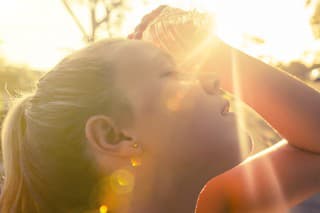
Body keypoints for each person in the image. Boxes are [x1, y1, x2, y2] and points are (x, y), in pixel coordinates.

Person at [130, 5, 320, 213]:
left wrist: (214, 55)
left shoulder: (208, 199)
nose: (214, 82)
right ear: (113, 136)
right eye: (170, 75)